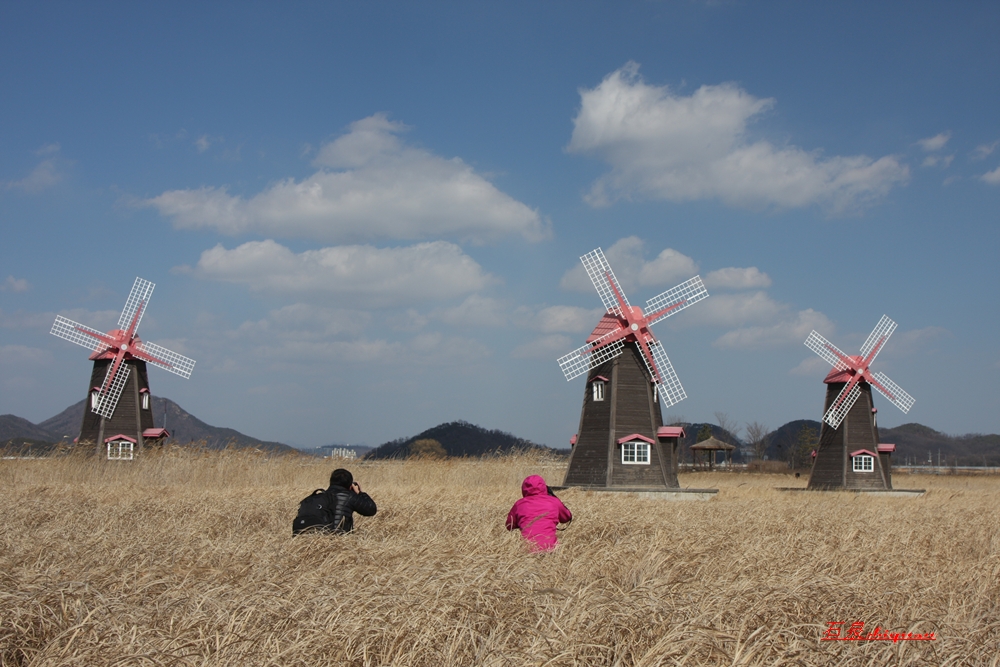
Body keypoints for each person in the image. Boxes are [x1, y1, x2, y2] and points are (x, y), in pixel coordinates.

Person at [293, 468, 377, 535]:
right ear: (350, 485)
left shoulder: (315, 497)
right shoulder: (349, 496)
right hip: (336, 540)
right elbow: (371, 509)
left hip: (308, 540)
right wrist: (360, 493)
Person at [505, 475, 572, 551]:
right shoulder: (554, 501)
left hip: (527, 549)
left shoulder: (519, 504)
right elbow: (567, 517)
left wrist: (522, 522)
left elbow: (509, 526)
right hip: (551, 548)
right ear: (544, 487)